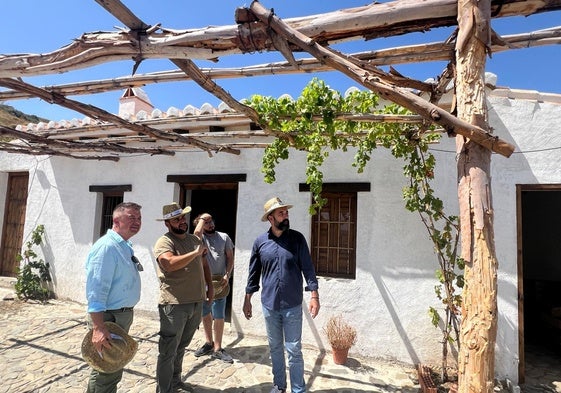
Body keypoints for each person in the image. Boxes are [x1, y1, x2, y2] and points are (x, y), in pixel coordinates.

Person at [243, 197, 320, 393]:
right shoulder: (260, 243)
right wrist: (247, 300)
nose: (286, 216)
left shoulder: (297, 239)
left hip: (292, 305)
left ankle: (298, 389)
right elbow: (254, 273)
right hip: (269, 305)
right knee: (275, 347)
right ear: (270, 218)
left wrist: (314, 296)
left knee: (294, 349)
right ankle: (279, 385)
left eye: (286, 212)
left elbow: (308, 268)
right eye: (281, 213)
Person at [153, 202, 214, 393]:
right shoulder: (165, 242)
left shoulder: (193, 240)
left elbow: (204, 265)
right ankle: (164, 389)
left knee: (181, 346)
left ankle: (176, 381)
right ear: (167, 223)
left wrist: (210, 287)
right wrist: (194, 253)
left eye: (182, 217)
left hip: (195, 303)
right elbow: (168, 263)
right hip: (174, 304)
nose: (181, 221)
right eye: (176, 219)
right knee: (168, 350)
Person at [85, 201, 143, 393]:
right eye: (131, 217)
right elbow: (96, 290)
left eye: (139, 218)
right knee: (105, 371)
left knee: (112, 367)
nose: (137, 222)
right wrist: (99, 327)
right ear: (116, 219)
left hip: (120, 316)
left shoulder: (124, 245)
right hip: (109, 317)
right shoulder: (107, 247)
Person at [192, 213, 235, 363]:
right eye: (206, 222)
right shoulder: (200, 239)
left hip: (219, 282)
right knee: (205, 313)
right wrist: (202, 220)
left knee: (219, 315)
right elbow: (196, 233)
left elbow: (230, 257)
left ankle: (217, 348)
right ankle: (208, 343)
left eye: (211, 221)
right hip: (203, 282)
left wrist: (227, 275)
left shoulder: (224, 237)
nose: (210, 224)